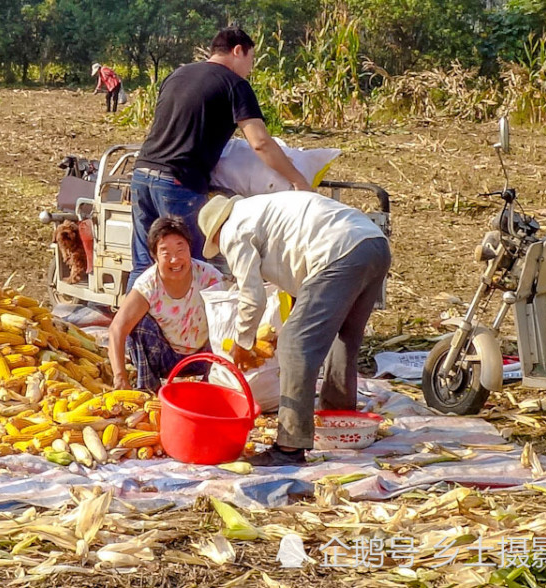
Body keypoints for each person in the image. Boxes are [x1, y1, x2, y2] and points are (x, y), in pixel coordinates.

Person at [197, 192, 391, 467]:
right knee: (344, 336)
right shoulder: (264, 209)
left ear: (215, 234)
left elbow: (252, 297)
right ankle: (337, 417)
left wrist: (242, 341)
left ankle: (289, 445)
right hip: (373, 244)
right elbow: (303, 281)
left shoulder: (233, 230)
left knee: (293, 347)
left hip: (337, 251)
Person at [128, 26, 310, 291]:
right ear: (238, 51)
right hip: (179, 183)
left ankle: (132, 331)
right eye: (251, 60)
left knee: (145, 264)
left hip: (142, 175)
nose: (250, 68)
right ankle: (195, 331)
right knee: (191, 267)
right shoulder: (234, 84)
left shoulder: (177, 75)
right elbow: (260, 142)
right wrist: (297, 180)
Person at [108, 216, 223, 391]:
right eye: (165, 253)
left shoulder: (208, 276)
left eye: (180, 250)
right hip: (165, 356)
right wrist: (120, 376)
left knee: (224, 319)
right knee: (138, 325)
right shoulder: (148, 283)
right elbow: (117, 328)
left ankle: (211, 386)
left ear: (190, 250)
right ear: (154, 256)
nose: (175, 260)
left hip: (204, 355)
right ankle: (148, 390)